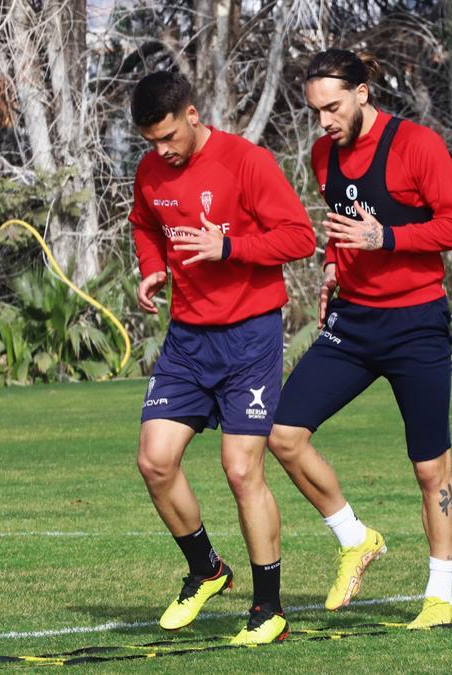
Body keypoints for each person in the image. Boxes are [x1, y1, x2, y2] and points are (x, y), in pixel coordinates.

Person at [268, 49, 452, 630]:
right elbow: (341, 224)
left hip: (416, 325)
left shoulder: (417, 146)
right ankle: (356, 539)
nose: (324, 121)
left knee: (430, 468)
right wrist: (335, 264)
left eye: (332, 107)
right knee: (283, 434)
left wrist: (386, 237)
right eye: (315, 111)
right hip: (353, 324)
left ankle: (438, 596)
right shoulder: (321, 155)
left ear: (363, 92)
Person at [128, 71, 316, 644]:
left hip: (249, 337)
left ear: (191, 114)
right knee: (155, 461)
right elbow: (143, 223)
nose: (161, 152)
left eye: (167, 137)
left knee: (241, 470)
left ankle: (268, 610)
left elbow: (300, 237)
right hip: (187, 339)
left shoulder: (247, 162)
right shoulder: (150, 171)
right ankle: (207, 569)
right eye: (149, 143)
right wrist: (151, 266)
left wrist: (228, 247)